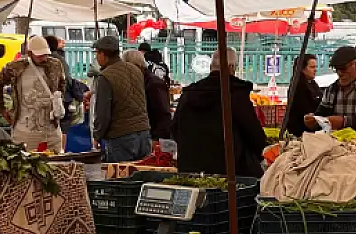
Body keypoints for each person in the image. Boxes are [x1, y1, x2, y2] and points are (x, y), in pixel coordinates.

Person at [172, 47, 268, 178]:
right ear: (232, 67)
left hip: (191, 169)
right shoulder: (234, 93)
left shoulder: (189, 94)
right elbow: (254, 135)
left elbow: (174, 129)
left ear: (211, 67)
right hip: (231, 171)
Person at [0, 34, 67, 150]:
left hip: (52, 130)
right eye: (40, 55)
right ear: (30, 53)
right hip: (25, 131)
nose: (44, 58)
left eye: (45, 54)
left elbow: (62, 83)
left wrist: (58, 100)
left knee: (55, 164)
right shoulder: (15, 67)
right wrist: (2, 109)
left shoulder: (55, 64)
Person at [90, 36, 153, 161]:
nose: (96, 57)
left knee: (121, 177)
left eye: (96, 53)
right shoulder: (135, 69)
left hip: (121, 136)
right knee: (142, 177)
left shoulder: (105, 76)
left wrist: (97, 136)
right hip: (144, 133)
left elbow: (103, 113)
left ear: (103, 54)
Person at [306, 45, 356, 133]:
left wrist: (343, 122)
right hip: (336, 143)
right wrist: (313, 121)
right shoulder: (331, 90)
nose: (339, 73)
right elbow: (320, 117)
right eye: (336, 69)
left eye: (343, 69)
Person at [125, 49, 173, 140]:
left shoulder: (153, 84)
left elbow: (163, 113)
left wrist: (157, 139)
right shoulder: (139, 80)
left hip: (152, 136)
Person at [284, 54, 321, 137]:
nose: (315, 70)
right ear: (302, 69)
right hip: (301, 131)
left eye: (315, 67)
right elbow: (305, 109)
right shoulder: (298, 86)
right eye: (312, 67)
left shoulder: (312, 83)